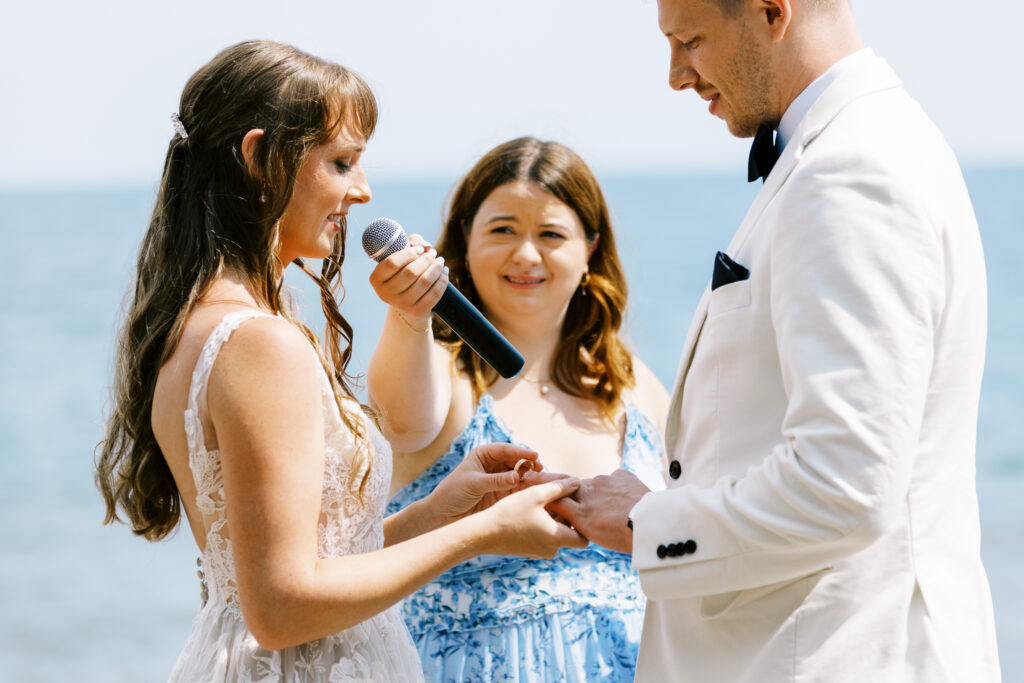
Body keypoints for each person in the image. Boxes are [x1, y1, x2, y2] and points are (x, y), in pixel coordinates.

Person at [94, 41, 587, 682]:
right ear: (259, 159)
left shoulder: (206, 320)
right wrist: (484, 536)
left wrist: (444, 508)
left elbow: (314, 564)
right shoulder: (258, 342)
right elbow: (280, 608)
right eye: (342, 162)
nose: (362, 190)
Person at [548, 1, 1002, 681]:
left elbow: (844, 484)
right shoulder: (868, 144)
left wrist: (651, 522)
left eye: (689, 41)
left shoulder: (850, 172)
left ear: (770, 10)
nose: (676, 76)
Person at [365, 136, 670, 681]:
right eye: (503, 230)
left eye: (551, 234)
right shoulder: (441, 369)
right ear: (466, 236)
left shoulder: (634, 386)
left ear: (591, 247)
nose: (526, 255)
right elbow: (403, 421)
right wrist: (409, 314)